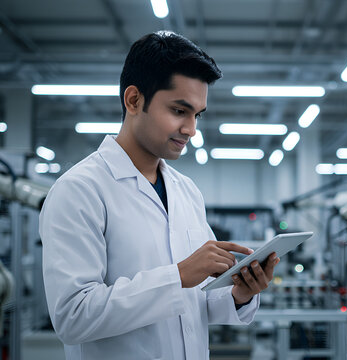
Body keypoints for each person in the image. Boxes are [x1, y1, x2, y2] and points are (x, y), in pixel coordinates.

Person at [39, 31, 279, 360]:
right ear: (134, 100)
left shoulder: (186, 192)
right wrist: (178, 275)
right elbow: (73, 316)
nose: (191, 129)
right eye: (180, 111)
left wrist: (239, 293)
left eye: (197, 115)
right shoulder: (79, 190)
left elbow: (195, 302)